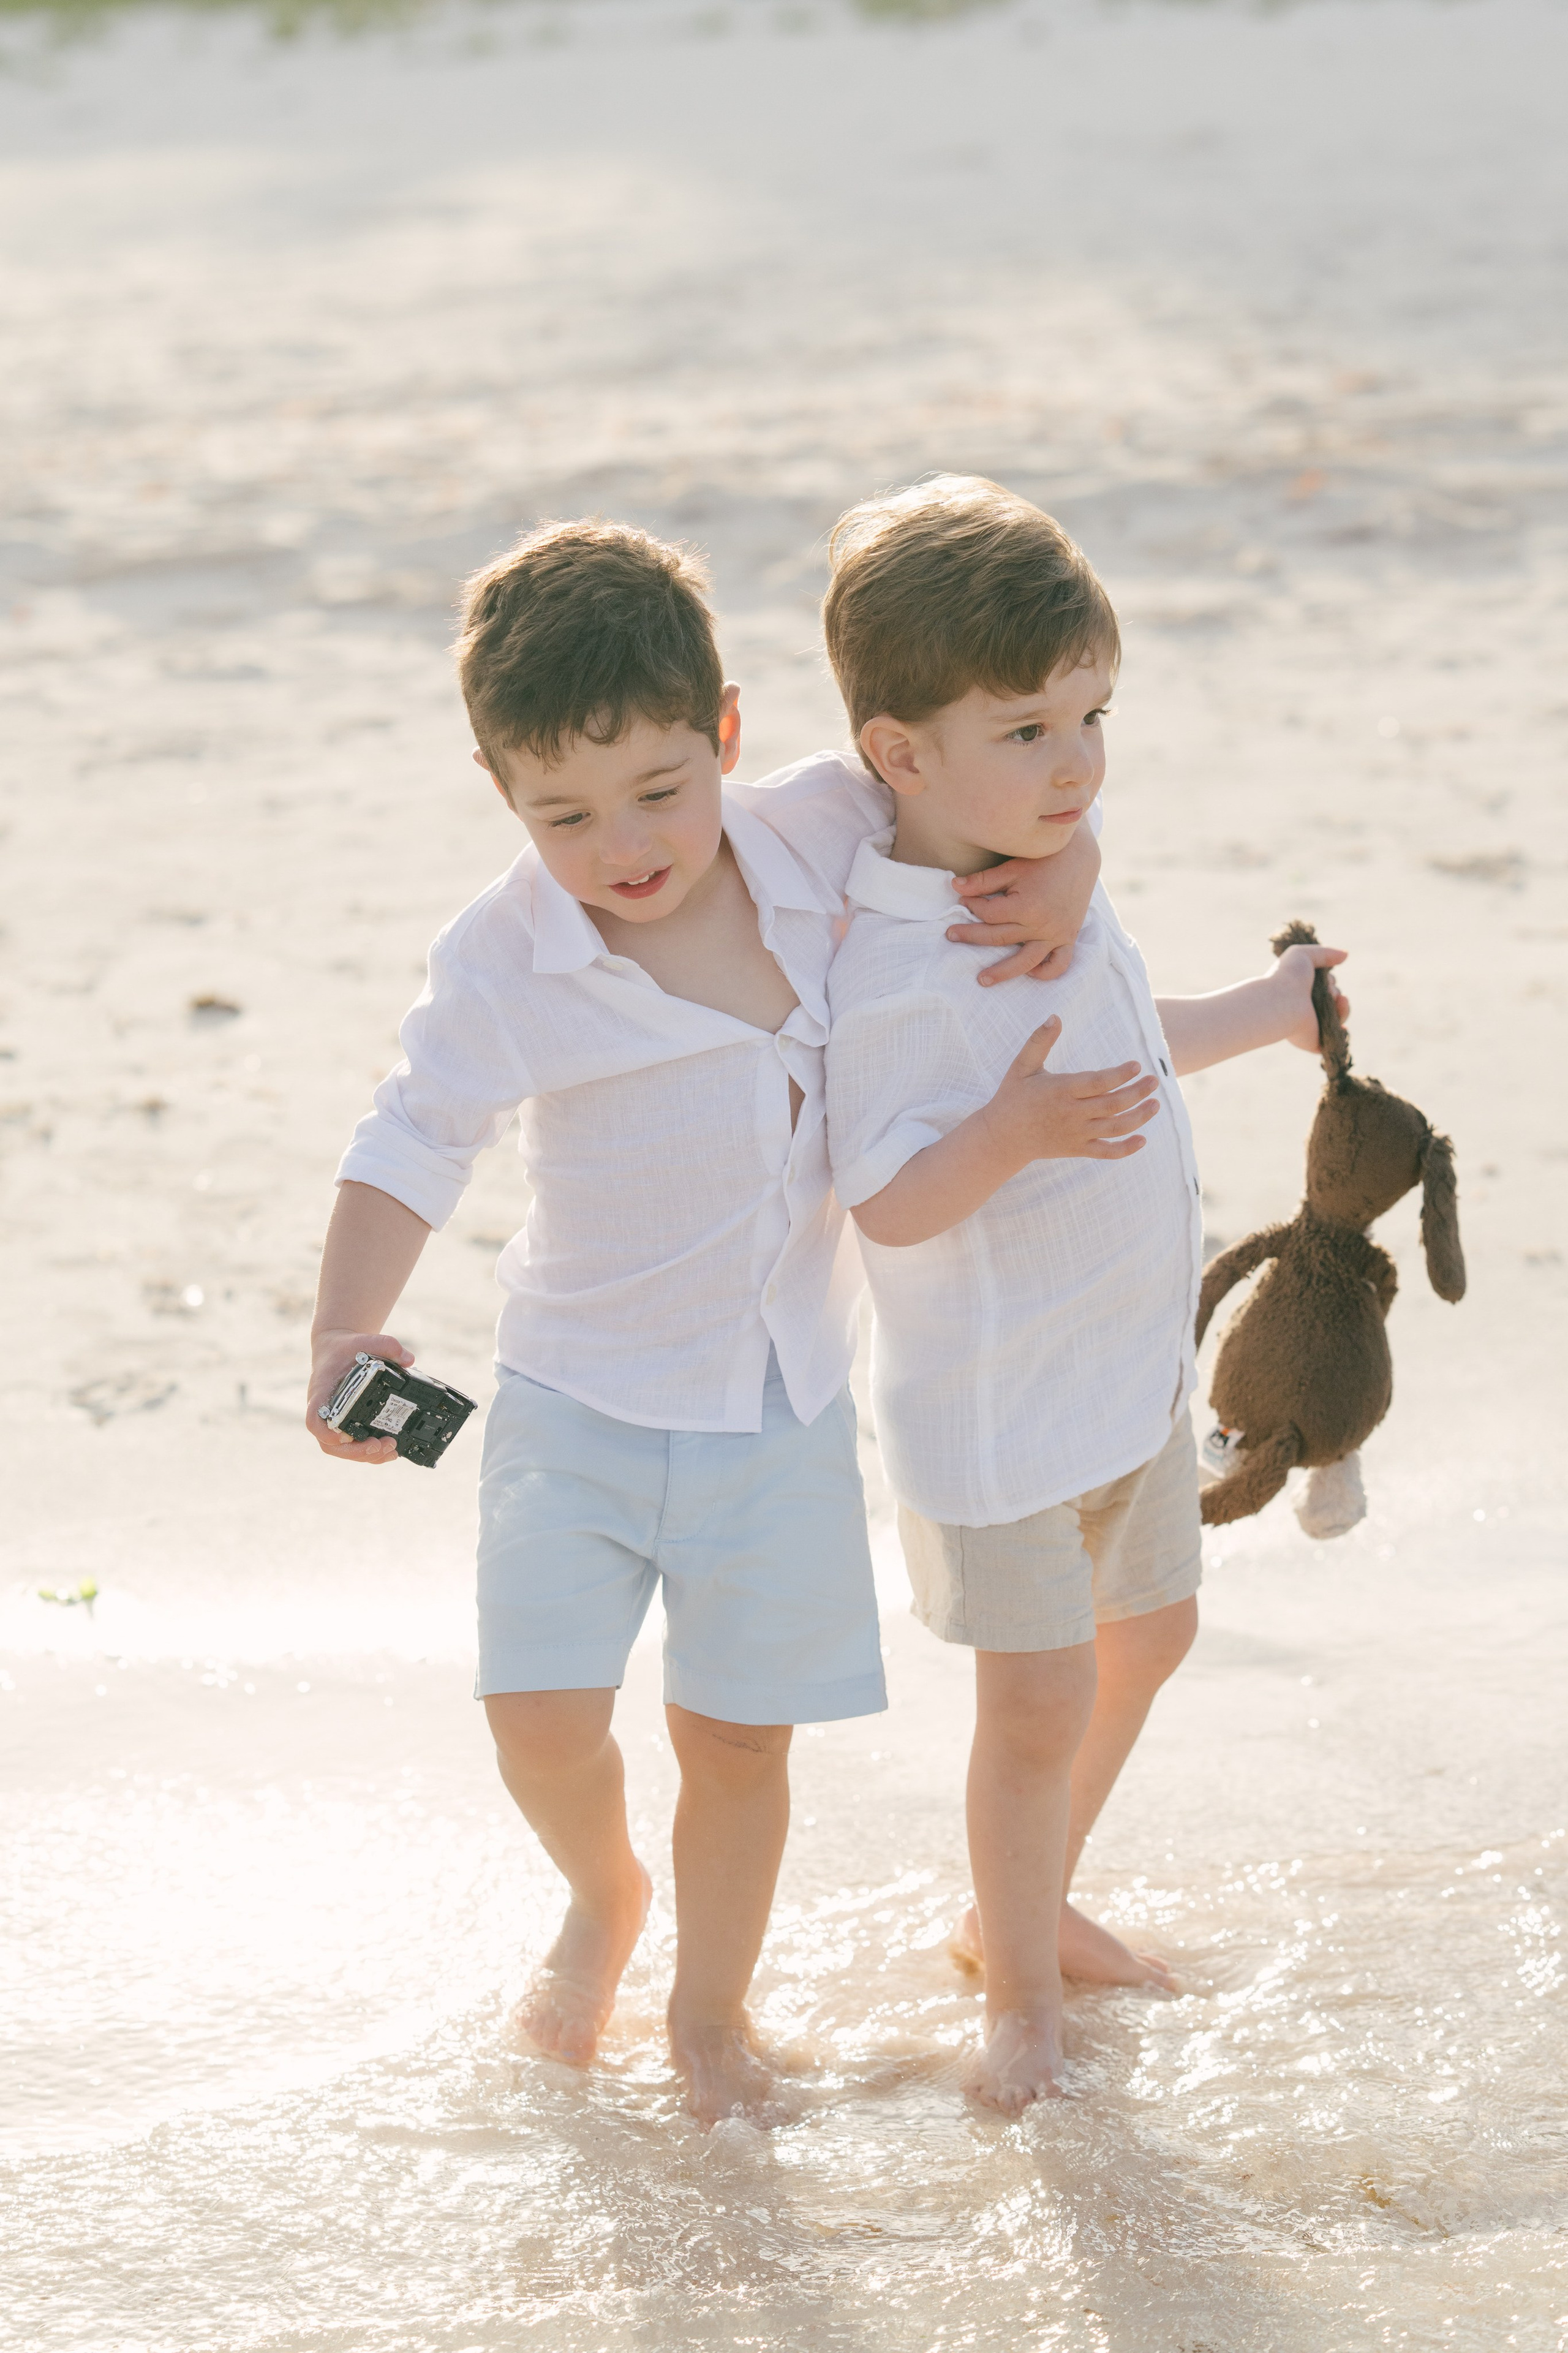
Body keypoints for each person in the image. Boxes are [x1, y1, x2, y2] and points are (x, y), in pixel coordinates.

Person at [304, 517, 1091, 2124]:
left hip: (779, 1401)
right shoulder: (505, 959)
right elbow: (410, 1140)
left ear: (725, 731)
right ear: (500, 788)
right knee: (538, 1716)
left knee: (738, 1740)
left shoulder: (813, 834)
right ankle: (604, 1892)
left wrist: (1069, 872)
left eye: (661, 790)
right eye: (565, 815)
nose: (624, 845)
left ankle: (708, 2017)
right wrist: (343, 1330)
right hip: (574, 1395)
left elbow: (994, 793)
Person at [818, 475, 1348, 2115]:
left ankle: (1025, 1902)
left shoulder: (1046, 870)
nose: (1078, 766)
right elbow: (883, 1199)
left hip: (1124, 1386)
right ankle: (1020, 1998)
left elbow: (1126, 1045)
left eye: (1093, 718)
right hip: (999, 1424)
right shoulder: (895, 971)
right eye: (1031, 730)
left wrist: (1268, 1010)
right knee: (1038, 1699)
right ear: (902, 755)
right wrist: (1009, 1134)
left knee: (1158, 1630)